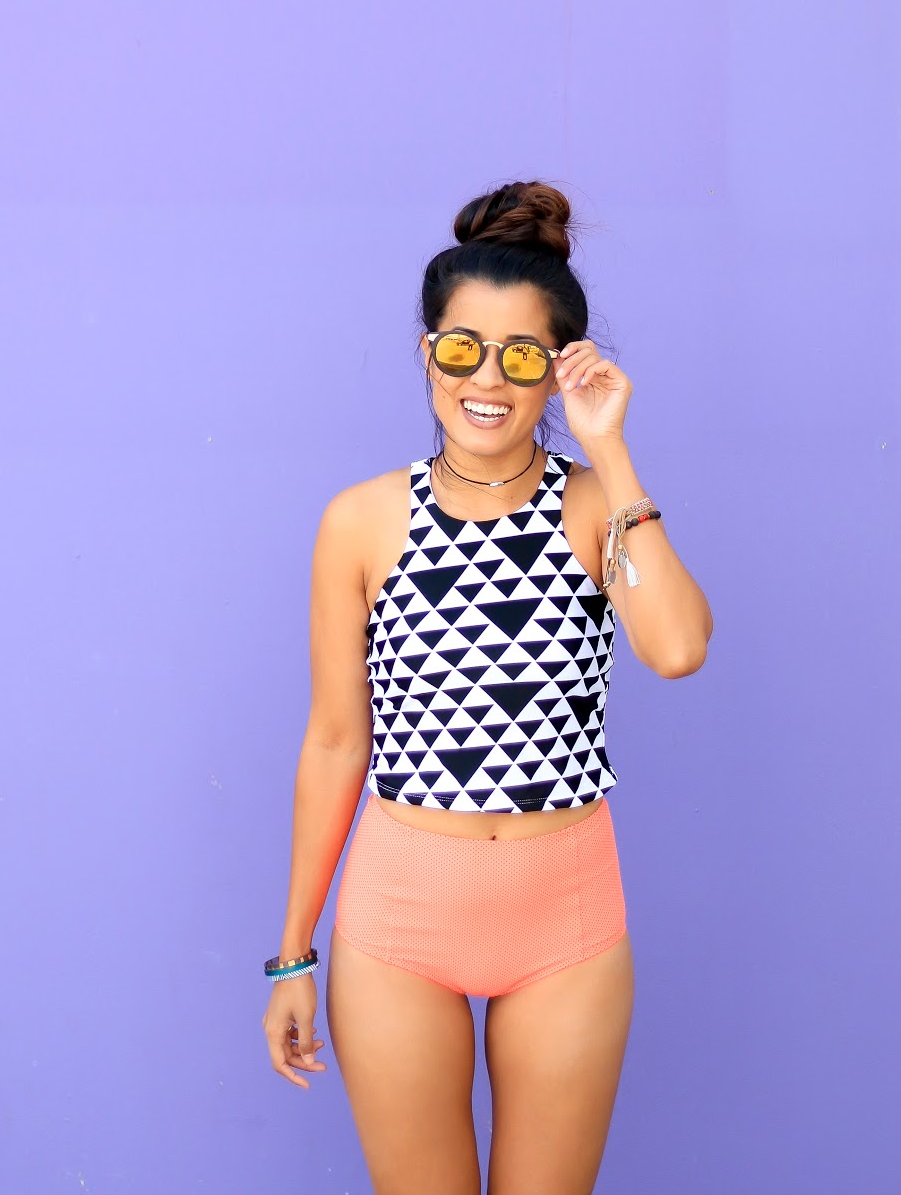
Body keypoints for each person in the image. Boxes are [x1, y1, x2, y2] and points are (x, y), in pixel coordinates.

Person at [262, 179, 713, 1194]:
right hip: (399, 920)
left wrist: (609, 447)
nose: (488, 380)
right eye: (463, 348)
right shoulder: (361, 521)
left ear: (559, 370)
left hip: (565, 920)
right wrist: (293, 954)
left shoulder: (594, 508)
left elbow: (679, 647)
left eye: (523, 357)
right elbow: (334, 741)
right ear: (429, 352)